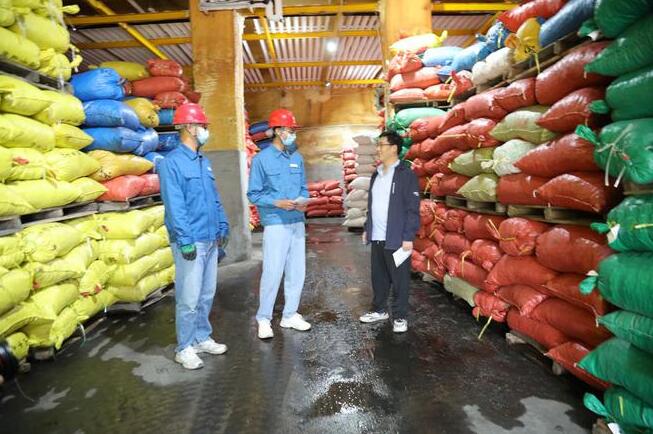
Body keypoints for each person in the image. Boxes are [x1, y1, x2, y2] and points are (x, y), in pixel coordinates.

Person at [159, 102, 230, 370]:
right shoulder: (171, 164)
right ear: (189, 127)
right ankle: (184, 347)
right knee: (188, 299)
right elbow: (175, 206)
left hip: (210, 238)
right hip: (191, 241)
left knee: (206, 294)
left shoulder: (203, 161)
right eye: (202, 125)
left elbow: (214, 198)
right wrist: (185, 240)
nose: (205, 130)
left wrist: (223, 224)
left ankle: (201, 337)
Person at [247, 109, 311, 340]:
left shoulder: (297, 158)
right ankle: (264, 318)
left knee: (297, 271)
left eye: (293, 130)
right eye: (289, 130)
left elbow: (304, 188)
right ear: (277, 131)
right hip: (275, 223)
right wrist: (277, 202)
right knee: (273, 271)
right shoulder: (261, 160)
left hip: (297, 221)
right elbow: (253, 194)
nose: (292, 134)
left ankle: (290, 314)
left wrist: (304, 202)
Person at [360, 130, 420, 333]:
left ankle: (400, 317)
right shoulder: (376, 174)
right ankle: (379, 310)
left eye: (381, 145)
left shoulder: (406, 174)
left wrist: (408, 236)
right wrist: (367, 227)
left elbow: (413, 208)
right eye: (377, 145)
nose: (378, 149)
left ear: (394, 148)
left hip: (397, 237)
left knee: (400, 280)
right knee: (379, 277)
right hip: (377, 235)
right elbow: (372, 205)